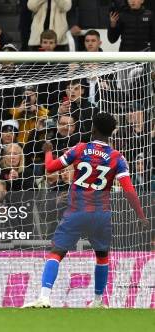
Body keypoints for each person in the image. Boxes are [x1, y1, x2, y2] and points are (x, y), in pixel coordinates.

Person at [23, 112, 148, 309]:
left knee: (56, 252)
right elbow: (129, 190)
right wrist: (141, 216)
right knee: (102, 255)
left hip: (76, 211)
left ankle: (44, 297)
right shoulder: (117, 158)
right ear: (112, 132)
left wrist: (47, 151)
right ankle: (98, 301)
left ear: (93, 129)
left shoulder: (80, 149)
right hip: (101, 215)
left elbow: (50, 168)